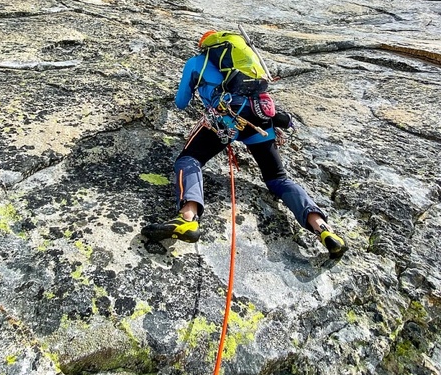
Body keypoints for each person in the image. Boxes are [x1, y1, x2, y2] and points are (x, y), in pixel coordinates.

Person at [141, 31, 347, 259]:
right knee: (278, 179)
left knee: (189, 160)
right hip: (260, 118)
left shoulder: (196, 62)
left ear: (204, 47)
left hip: (226, 119)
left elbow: (181, 103)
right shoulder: (248, 64)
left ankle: (187, 218)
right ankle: (323, 228)